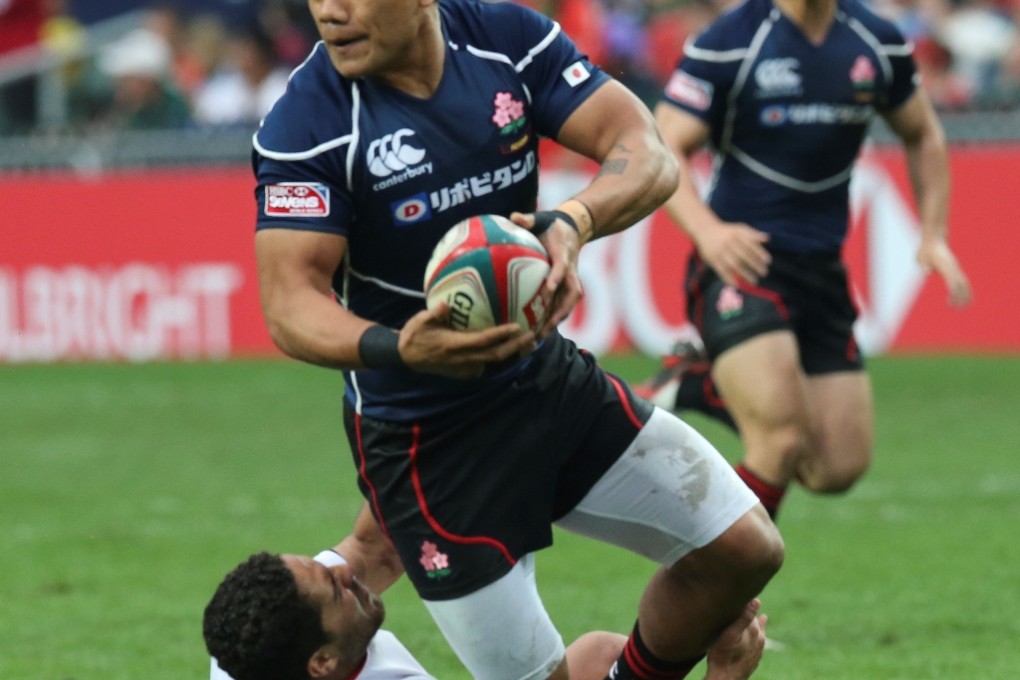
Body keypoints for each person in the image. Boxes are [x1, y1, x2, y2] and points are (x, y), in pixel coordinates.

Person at [249, 0, 785, 678]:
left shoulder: (504, 39)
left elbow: (644, 148)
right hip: (428, 445)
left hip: (545, 384)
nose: (329, 11)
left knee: (745, 550)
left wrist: (574, 220)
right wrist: (399, 348)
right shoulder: (307, 124)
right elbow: (288, 301)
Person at [636, 0, 972, 519]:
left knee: (837, 467)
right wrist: (708, 232)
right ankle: (714, 588)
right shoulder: (731, 42)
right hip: (742, 263)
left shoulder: (876, 41)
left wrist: (934, 234)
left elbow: (922, 133)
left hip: (821, 270)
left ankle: (701, 383)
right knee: (783, 439)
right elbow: (662, 145)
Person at [203, 505, 770, 680]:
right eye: (337, 590)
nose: (345, 572)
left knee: (600, 658)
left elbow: (375, 546)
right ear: (322, 661)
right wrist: (724, 675)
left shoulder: (247, 645)